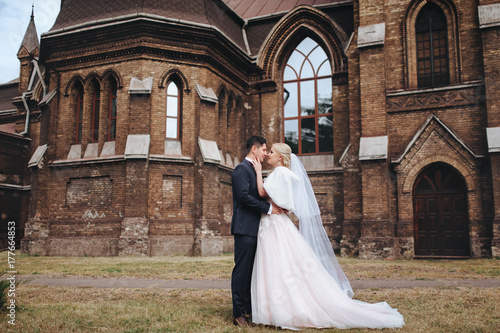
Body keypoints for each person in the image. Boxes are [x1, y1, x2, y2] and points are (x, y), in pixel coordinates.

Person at [249, 143, 405, 330]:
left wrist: (258, 171)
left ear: (280, 157)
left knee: (278, 264)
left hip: (274, 224)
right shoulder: (285, 174)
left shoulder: (279, 173)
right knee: (282, 264)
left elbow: (261, 192)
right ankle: (277, 308)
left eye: (272, 152)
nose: (268, 156)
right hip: (277, 222)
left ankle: (281, 309)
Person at [230, 136, 283, 327]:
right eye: (263, 149)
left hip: (257, 229)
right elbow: (243, 197)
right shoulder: (241, 170)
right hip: (245, 228)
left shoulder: (255, 170)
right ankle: (238, 314)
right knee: (242, 271)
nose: (265, 153)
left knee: (253, 272)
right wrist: (268, 209)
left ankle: (250, 310)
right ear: (254, 149)